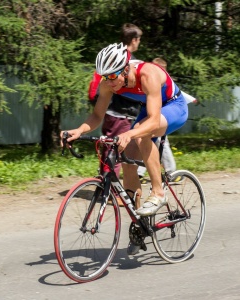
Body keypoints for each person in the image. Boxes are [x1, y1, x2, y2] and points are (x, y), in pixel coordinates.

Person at [61, 43, 188, 254]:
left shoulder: (148, 74)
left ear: (125, 69)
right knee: (128, 160)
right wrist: (79, 130)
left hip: (174, 107)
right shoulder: (107, 82)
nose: (108, 82)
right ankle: (139, 221)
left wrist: (129, 133)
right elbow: (97, 116)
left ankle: (158, 192)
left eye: (112, 76)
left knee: (139, 134)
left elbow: (154, 119)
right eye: (104, 77)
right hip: (150, 110)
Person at [88, 23, 143, 207]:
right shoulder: (127, 61)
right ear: (133, 40)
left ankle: (106, 189)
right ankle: (109, 191)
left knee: (111, 152)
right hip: (122, 114)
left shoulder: (114, 58)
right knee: (118, 153)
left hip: (111, 113)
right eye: (138, 39)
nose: (139, 43)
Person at [137, 57, 181, 183]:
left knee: (159, 143)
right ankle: (169, 171)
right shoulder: (149, 80)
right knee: (144, 141)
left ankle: (169, 172)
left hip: (162, 117)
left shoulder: (165, 82)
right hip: (151, 117)